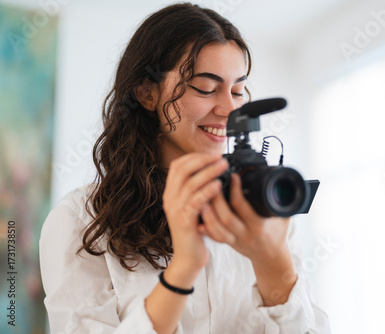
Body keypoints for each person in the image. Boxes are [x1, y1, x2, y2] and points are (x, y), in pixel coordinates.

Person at [39, 3, 331, 333]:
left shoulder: (263, 211)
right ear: (147, 93)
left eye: (237, 91)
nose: (229, 110)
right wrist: (183, 270)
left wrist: (275, 267)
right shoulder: (81, 223)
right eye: (206, 88)